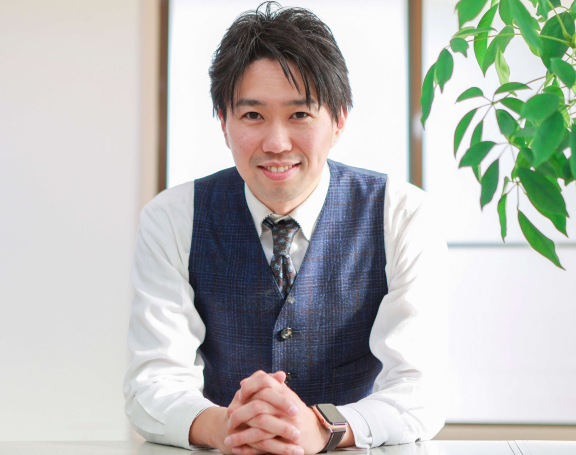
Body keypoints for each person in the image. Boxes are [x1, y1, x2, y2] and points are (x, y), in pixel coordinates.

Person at [123, 3, 449, 454]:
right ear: (224, 123)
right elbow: (151, 382)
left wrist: (322, 427)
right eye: (252, 116)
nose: (276, 144)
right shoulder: (173, 218)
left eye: (299, 115)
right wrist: (227, 427)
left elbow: (422, 389)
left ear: (338, 120)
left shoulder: (402, 214)